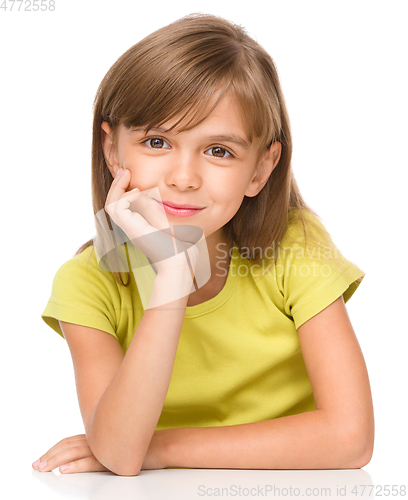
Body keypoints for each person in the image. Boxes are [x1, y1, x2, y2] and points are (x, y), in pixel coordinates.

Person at [32, 13, 374, 476]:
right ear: (114, 151)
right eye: (157, 141)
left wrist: (161, 448)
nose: (184, 177)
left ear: (260, 169)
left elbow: (350, 441)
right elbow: (119, 454)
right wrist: (172, 277)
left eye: (219, 151)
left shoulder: (296, 248)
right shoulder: (89, 283)